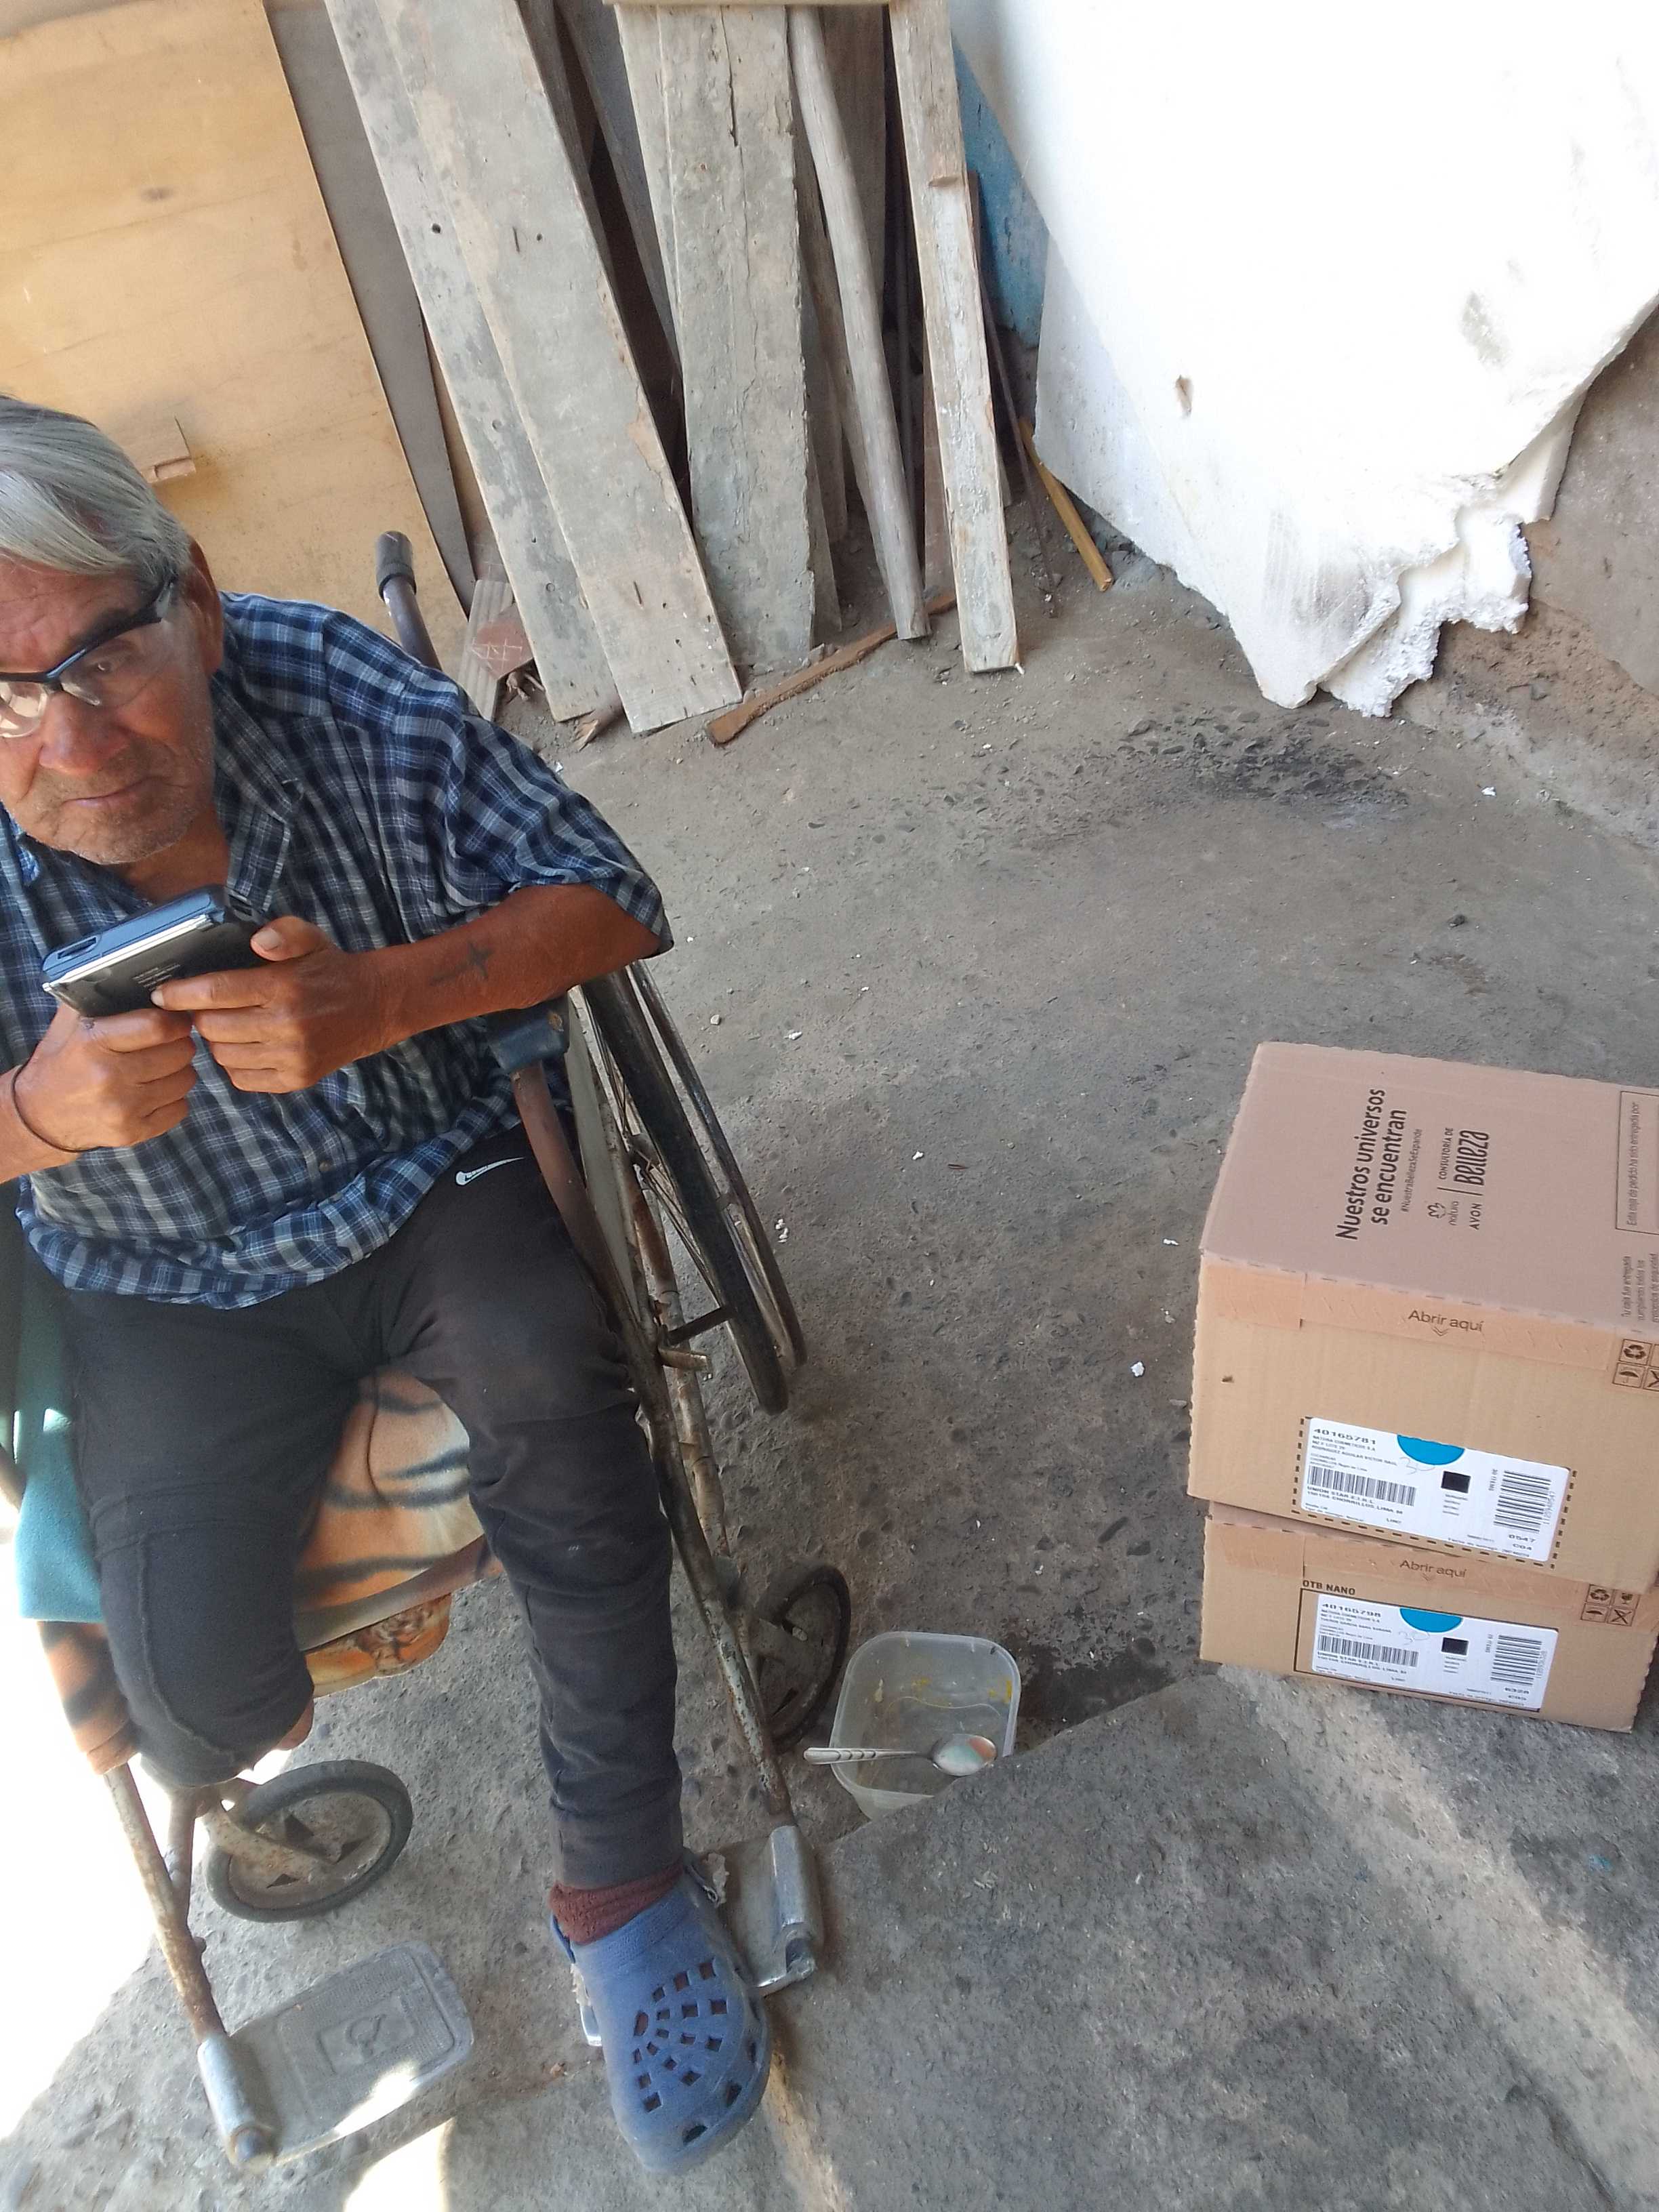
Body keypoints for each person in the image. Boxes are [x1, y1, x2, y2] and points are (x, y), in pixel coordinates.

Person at [0, 398, 769, 2174]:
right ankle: (255, 1710)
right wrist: (37, 1115)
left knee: (562, 1408)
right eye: (7, 697)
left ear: (193, 602)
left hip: (429, 1173)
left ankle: (625, 1890)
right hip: (160, 1278)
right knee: (207, 1712)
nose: (71, 739)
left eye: (101, 657)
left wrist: (381, 1000)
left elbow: (612, 898)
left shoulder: (326, 686)